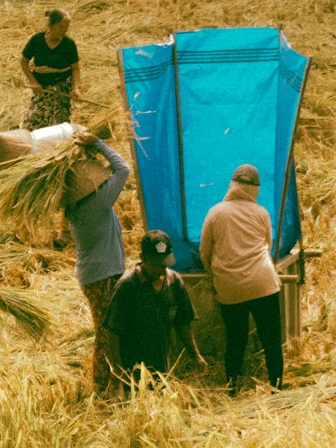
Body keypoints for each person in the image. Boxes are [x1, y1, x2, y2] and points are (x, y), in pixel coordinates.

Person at [199, 163, 283, 393]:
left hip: (230, 287)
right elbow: (268, 245)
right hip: (263, 283)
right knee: (271, 340)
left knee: (236, 341)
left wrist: (215, 271)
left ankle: (232, 387)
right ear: (255, 189)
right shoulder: (262, 213)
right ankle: (276, 385)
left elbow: (204, 251)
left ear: (232, 185)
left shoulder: (215, 212)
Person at [62, 134, 130, 393]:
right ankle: (103, 387)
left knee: (106, 331)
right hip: (103, 275)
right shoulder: (98, 201)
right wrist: (98, 144)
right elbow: (123, 168)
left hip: (92, 274)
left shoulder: (73, 207)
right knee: (107, 334)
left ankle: (110, 383)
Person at [103, 230, 205, 388]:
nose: (161, 270)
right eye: (155, 265)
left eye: (164, 264)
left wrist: (195, 355)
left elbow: (183, 322)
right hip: (133, 370)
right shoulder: (127, 286)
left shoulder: (174, 282)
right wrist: (116, 369)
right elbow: (112, 330)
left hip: (162, 366)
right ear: (142, 258)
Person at [20, 9, 81, 127]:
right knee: (34, 123)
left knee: (58, 124)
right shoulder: (37, 40)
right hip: (41, 87)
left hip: (61, 87)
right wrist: (33, 82)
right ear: (50, 25)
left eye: (66, 27)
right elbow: (24, 62)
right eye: (60, 27)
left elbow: (75, 68)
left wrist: (75, 89)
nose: (64, 31)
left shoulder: (69, 44)